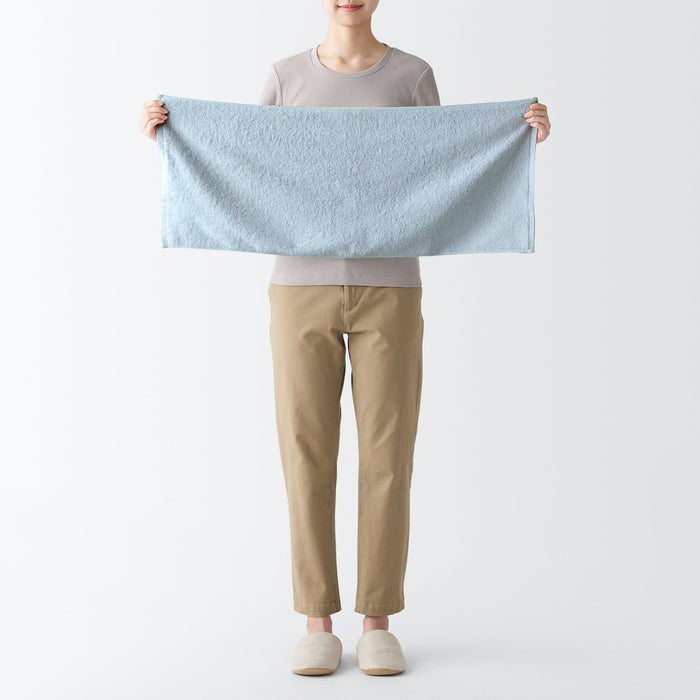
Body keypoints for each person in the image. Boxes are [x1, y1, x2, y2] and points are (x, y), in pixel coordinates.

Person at [139, 0, 551, 677]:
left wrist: (517, 138)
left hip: (392, 289)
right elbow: (250, 167)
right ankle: (316, 621)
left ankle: (378, 619)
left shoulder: (413, 77)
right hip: (298, 290)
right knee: (306, 453)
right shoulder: (285, 76)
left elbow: (443, 170)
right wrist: (173, 134)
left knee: (389, 454)